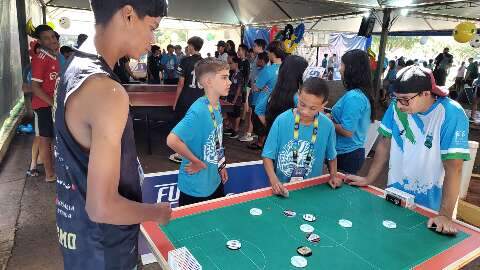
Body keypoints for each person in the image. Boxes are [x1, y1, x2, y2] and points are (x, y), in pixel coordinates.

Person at [54, 1, 171, 269]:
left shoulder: (73, 65)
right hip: (105, 248)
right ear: (129, 14)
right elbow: (102, 207)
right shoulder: (108, 92)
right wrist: (156, 213)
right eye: (152, 27)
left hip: (75, 235)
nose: (152, 38)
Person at [347, 65, 469, 235]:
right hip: (396, 196)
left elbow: (454, 167)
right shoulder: (397, 106)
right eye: (395, 98)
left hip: (432, 210)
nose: (399, 105)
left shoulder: (451, 113)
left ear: (426, 93)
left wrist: (445, 216)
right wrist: (369, 178)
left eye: (405, 99)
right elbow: (385, 143)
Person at [166, 58, 230, 206]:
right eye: (224, 77)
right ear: (208, 81)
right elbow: (172, 140)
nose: (230, 82)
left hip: (213, 178)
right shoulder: (198, 111)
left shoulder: (216, 104)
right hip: (196, 187)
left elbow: (217, 140)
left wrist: (221, 165)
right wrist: (196, 161)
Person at [262, 77, 340, 196]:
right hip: (282, 187)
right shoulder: (281, 120)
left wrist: (334, 176)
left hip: (312, 189)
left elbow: (332, 156)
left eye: (313, 108)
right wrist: (274, 181)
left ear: (323, 105)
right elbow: (267, 156)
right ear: (298, 95)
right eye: (302, 104)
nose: (305, 111)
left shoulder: (327, 126)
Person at [331, 49, 375, 175]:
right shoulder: (358, 94)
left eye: (342, 65)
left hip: (346, 154)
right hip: (348, 152)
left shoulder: (354, 97)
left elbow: (347, 131)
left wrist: (326, 121)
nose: (340, 69)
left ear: (351, 68)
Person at [30, 24, 59, 183]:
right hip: (44, 105)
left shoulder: (54, 55)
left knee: (55, 138)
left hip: (53, 103)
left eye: (53, 36)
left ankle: (56, 169)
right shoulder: (40, 59)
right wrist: (52, 103)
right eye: (46, 38)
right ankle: (49, 174)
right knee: (45, 139)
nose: (52, 40)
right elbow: (35, 87)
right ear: (40, 41)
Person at [170, 36, 204, 163]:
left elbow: (180, 84)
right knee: (197, 126)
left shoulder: (185, 61)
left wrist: (175, 102)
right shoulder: (205, 63)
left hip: (186, 98)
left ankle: (181, 154)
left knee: (184, 126)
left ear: (191, 46)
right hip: (200, 100)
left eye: (188, 45)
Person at [248, 41, 284, 150]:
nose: (267, 54)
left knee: (262, 121)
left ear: (272, 53)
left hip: (264, 101)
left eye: (268, 51)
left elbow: (256, 87)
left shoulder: (268, 70)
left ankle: (264, 141)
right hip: (281, 100)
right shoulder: (286, 68)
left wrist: (255, 84)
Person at [266, 55, 308, 133]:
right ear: (299, 74)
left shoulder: (275, 91)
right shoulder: (297, 98)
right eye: (305, 70)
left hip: (273, 136)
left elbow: (259, 110)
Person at [239, 40, 266, 143]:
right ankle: (251, 133)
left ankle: (253, 134)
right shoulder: (256, 58)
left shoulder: (262, 58)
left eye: (254, 45)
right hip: (254, 88)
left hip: (258, 90)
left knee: (254, 112)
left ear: (260, 46)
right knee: (251, 111)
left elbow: (262, 73)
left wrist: (258, 86)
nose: (253, 47)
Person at [224, 55, 244, 139]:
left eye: (231, 63)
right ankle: (231, 128)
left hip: (236, 98)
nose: (229, 65)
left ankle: (236, 130)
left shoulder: (239, 74)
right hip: (231, 96)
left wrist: (235, 100)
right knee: (229, 113)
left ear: (236, 64)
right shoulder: (233, 74)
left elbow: (239, 88)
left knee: (236, 114)